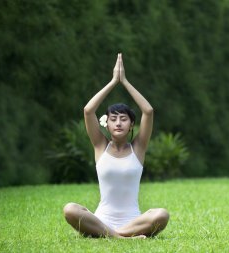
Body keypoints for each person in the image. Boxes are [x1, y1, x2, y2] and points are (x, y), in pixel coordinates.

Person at [63, 53, 169, 239]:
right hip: (101, 220)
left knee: (162, 215)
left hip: (134, 222)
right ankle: (120, 238)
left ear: (131, 125)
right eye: (113, 119)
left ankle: (111, 235)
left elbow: (149, 111)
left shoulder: (138, 148)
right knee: (70, 209)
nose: (118, 123)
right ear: (107, 124)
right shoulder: (99, 146)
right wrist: (113, 81)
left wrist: (125, 81)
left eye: (123, 119)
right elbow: (88, 111)